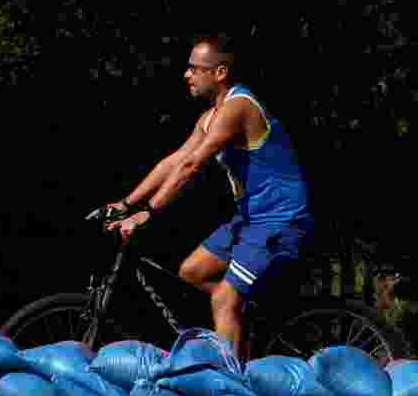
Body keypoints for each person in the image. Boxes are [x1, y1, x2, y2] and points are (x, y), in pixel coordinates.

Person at [106, 32, 314, 360]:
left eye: (194, 68)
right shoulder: (210, 118)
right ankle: (238, 325)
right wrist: (126, 203)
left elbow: (191, 166)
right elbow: (174, 160)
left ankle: (234, 385)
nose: (186, 74)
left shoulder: (238, 107)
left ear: (220, 73)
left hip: (279, 218)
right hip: (249, 219)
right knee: (192, 271)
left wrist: (149, 212)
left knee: (223, 300)